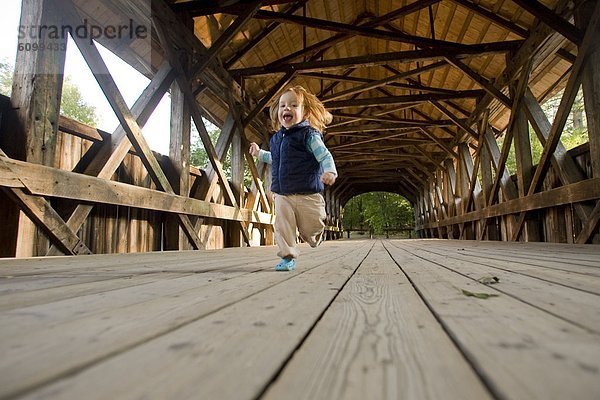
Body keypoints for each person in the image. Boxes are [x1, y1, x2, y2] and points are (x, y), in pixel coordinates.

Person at [249, 85, 337, 271]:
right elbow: (276, 158)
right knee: (282, 225)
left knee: (310, 229)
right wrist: (259, 153)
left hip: (308, 193)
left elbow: (324, 156)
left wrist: (330, 171)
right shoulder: (276, 139)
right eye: (282, 105)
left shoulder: (309, 135)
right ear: (277, 112)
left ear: (304, 112)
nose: (286, 108)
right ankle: (287, 256)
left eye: (293, 105)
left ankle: (316, 234)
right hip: (283, 193)